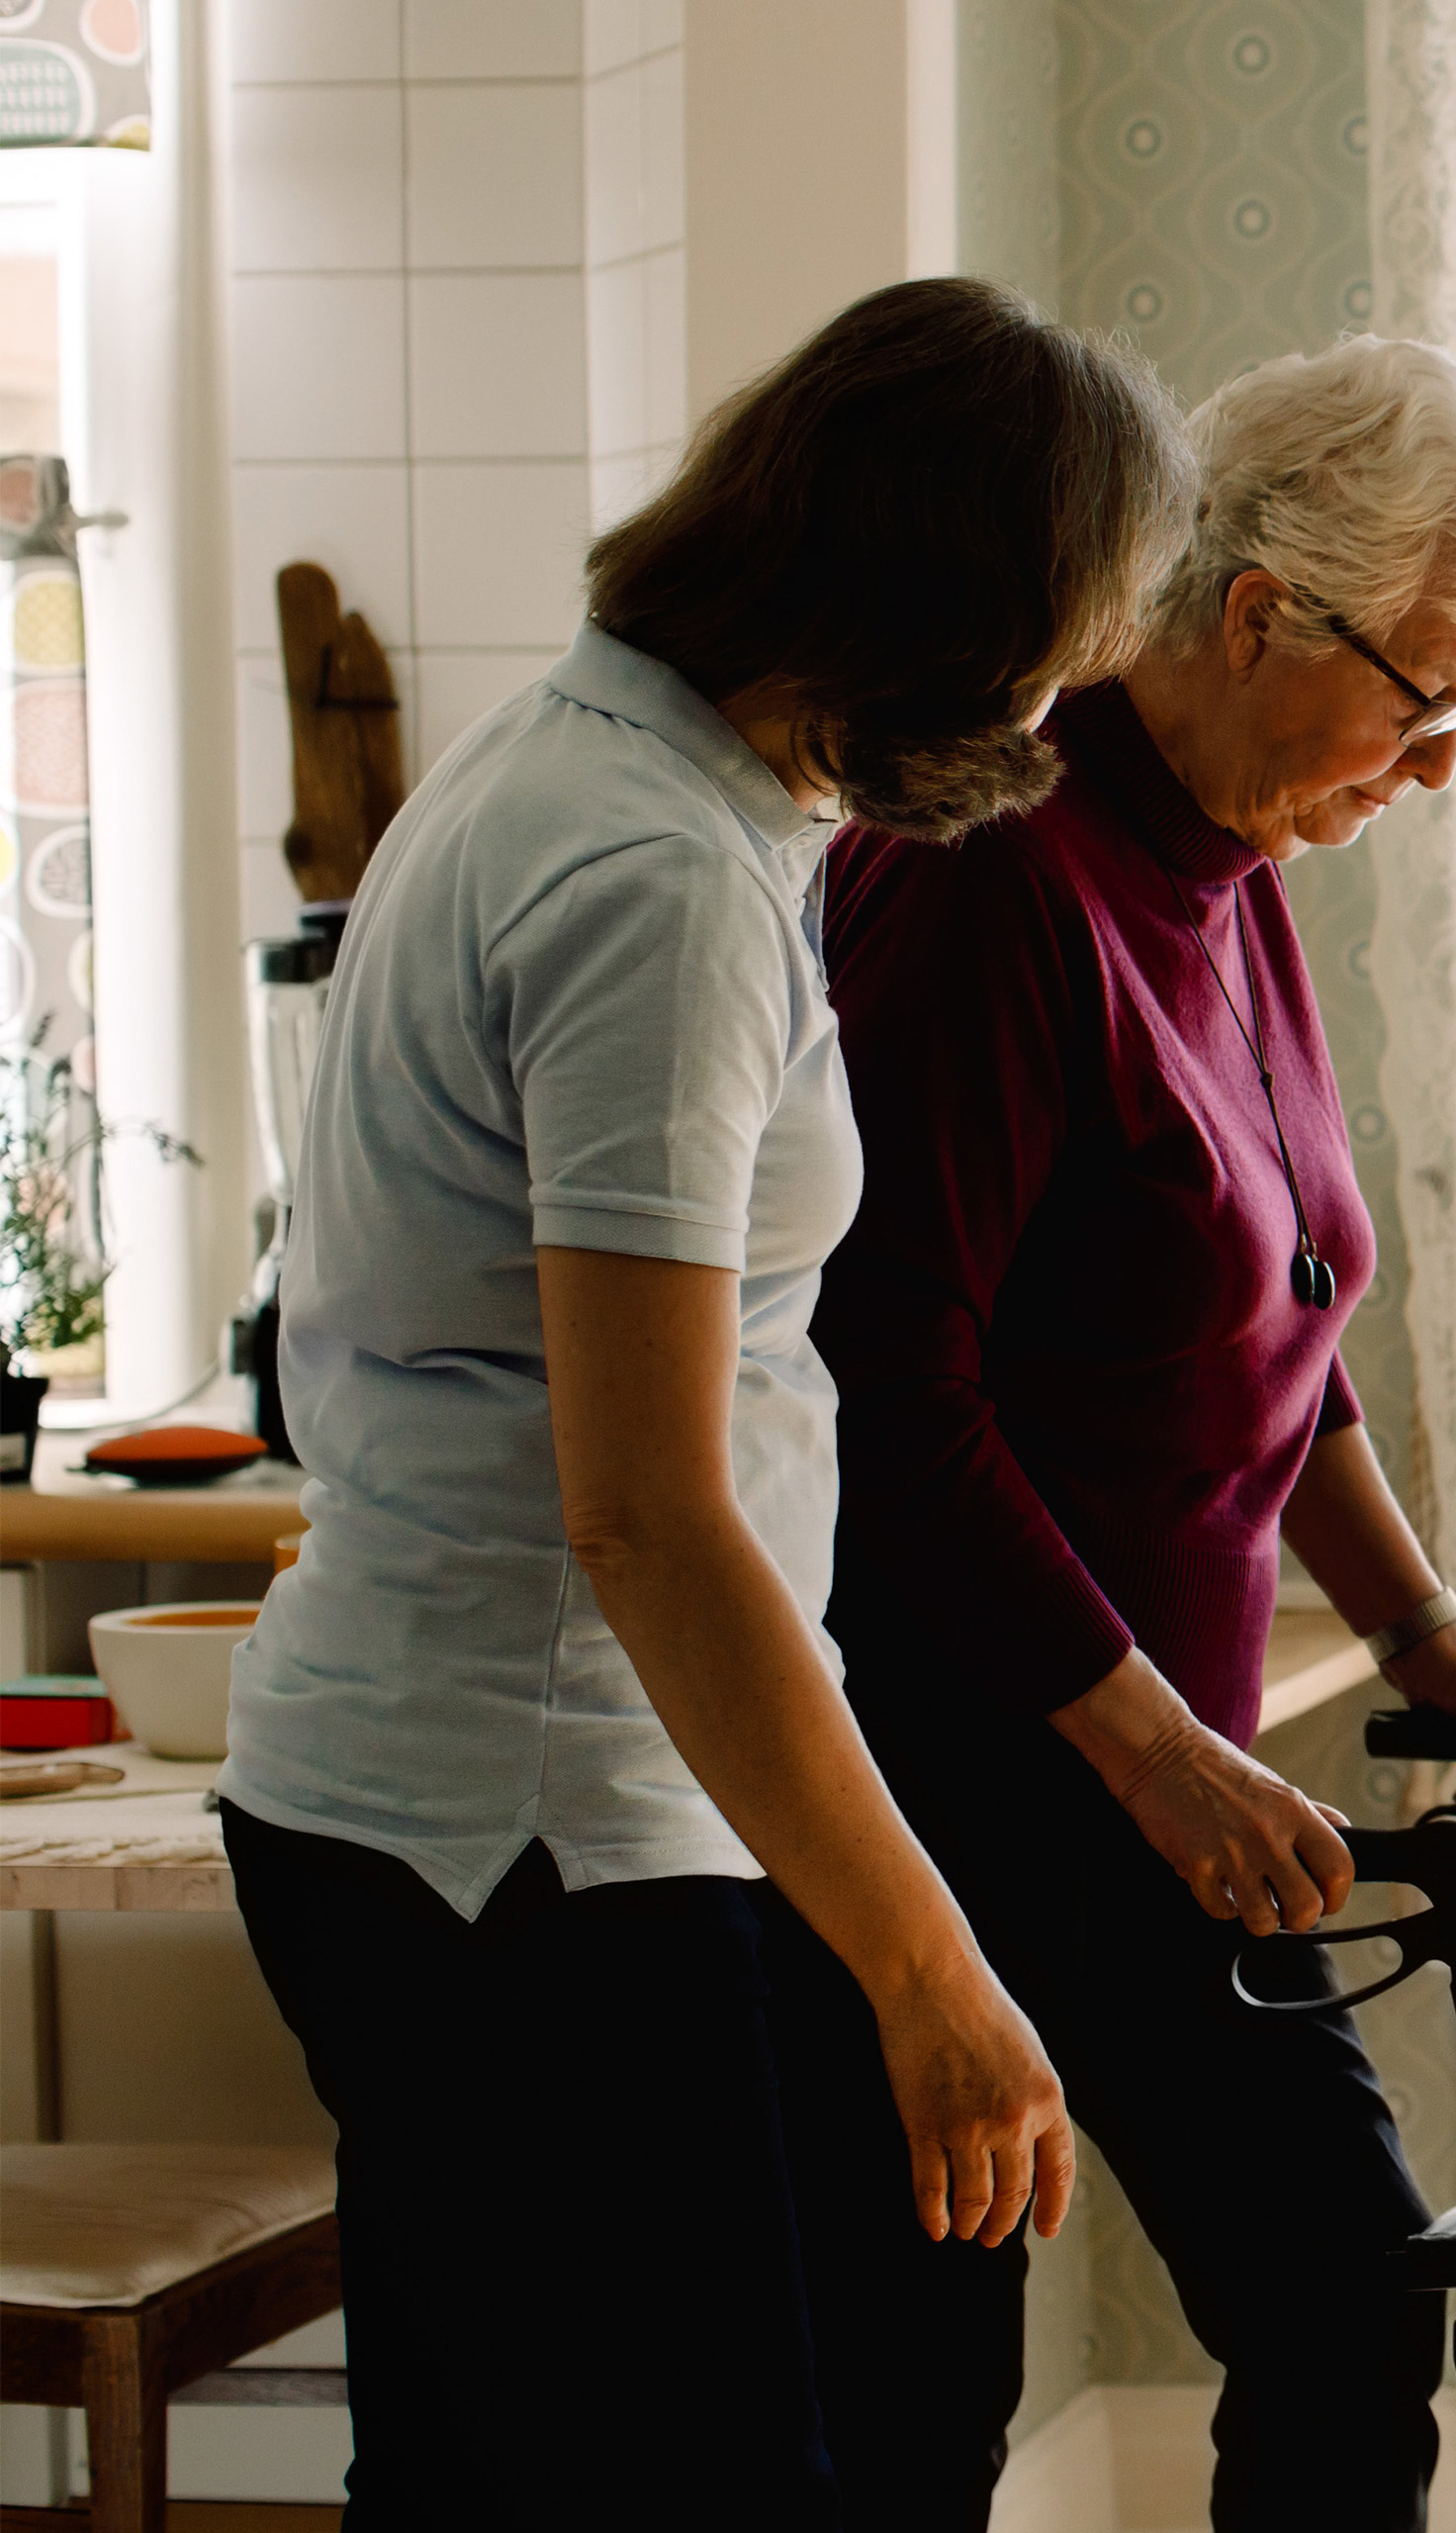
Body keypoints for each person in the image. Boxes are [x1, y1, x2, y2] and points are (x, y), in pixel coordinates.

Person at [216, 278, 1196, 2528]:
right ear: (948, 601)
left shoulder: (628, 768)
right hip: (528, 1819)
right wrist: (931, 1965)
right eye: (1060, 636)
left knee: (499, 2465)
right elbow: (647, 1506)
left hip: (476, 1795)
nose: (1064, 698)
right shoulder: (658, 871)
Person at [791, 335, 1456, 2531]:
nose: (1430, 767)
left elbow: (1285, 1319)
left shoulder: (1233, 860)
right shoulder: (990, 872)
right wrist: (1156, 1753)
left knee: (1344, 2294)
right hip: (955, 1780)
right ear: (1256, 615)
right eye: (1423, 698)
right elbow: (886, 1395)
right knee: (920, 2400)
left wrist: (1417, 1627)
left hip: (1143, 1780)